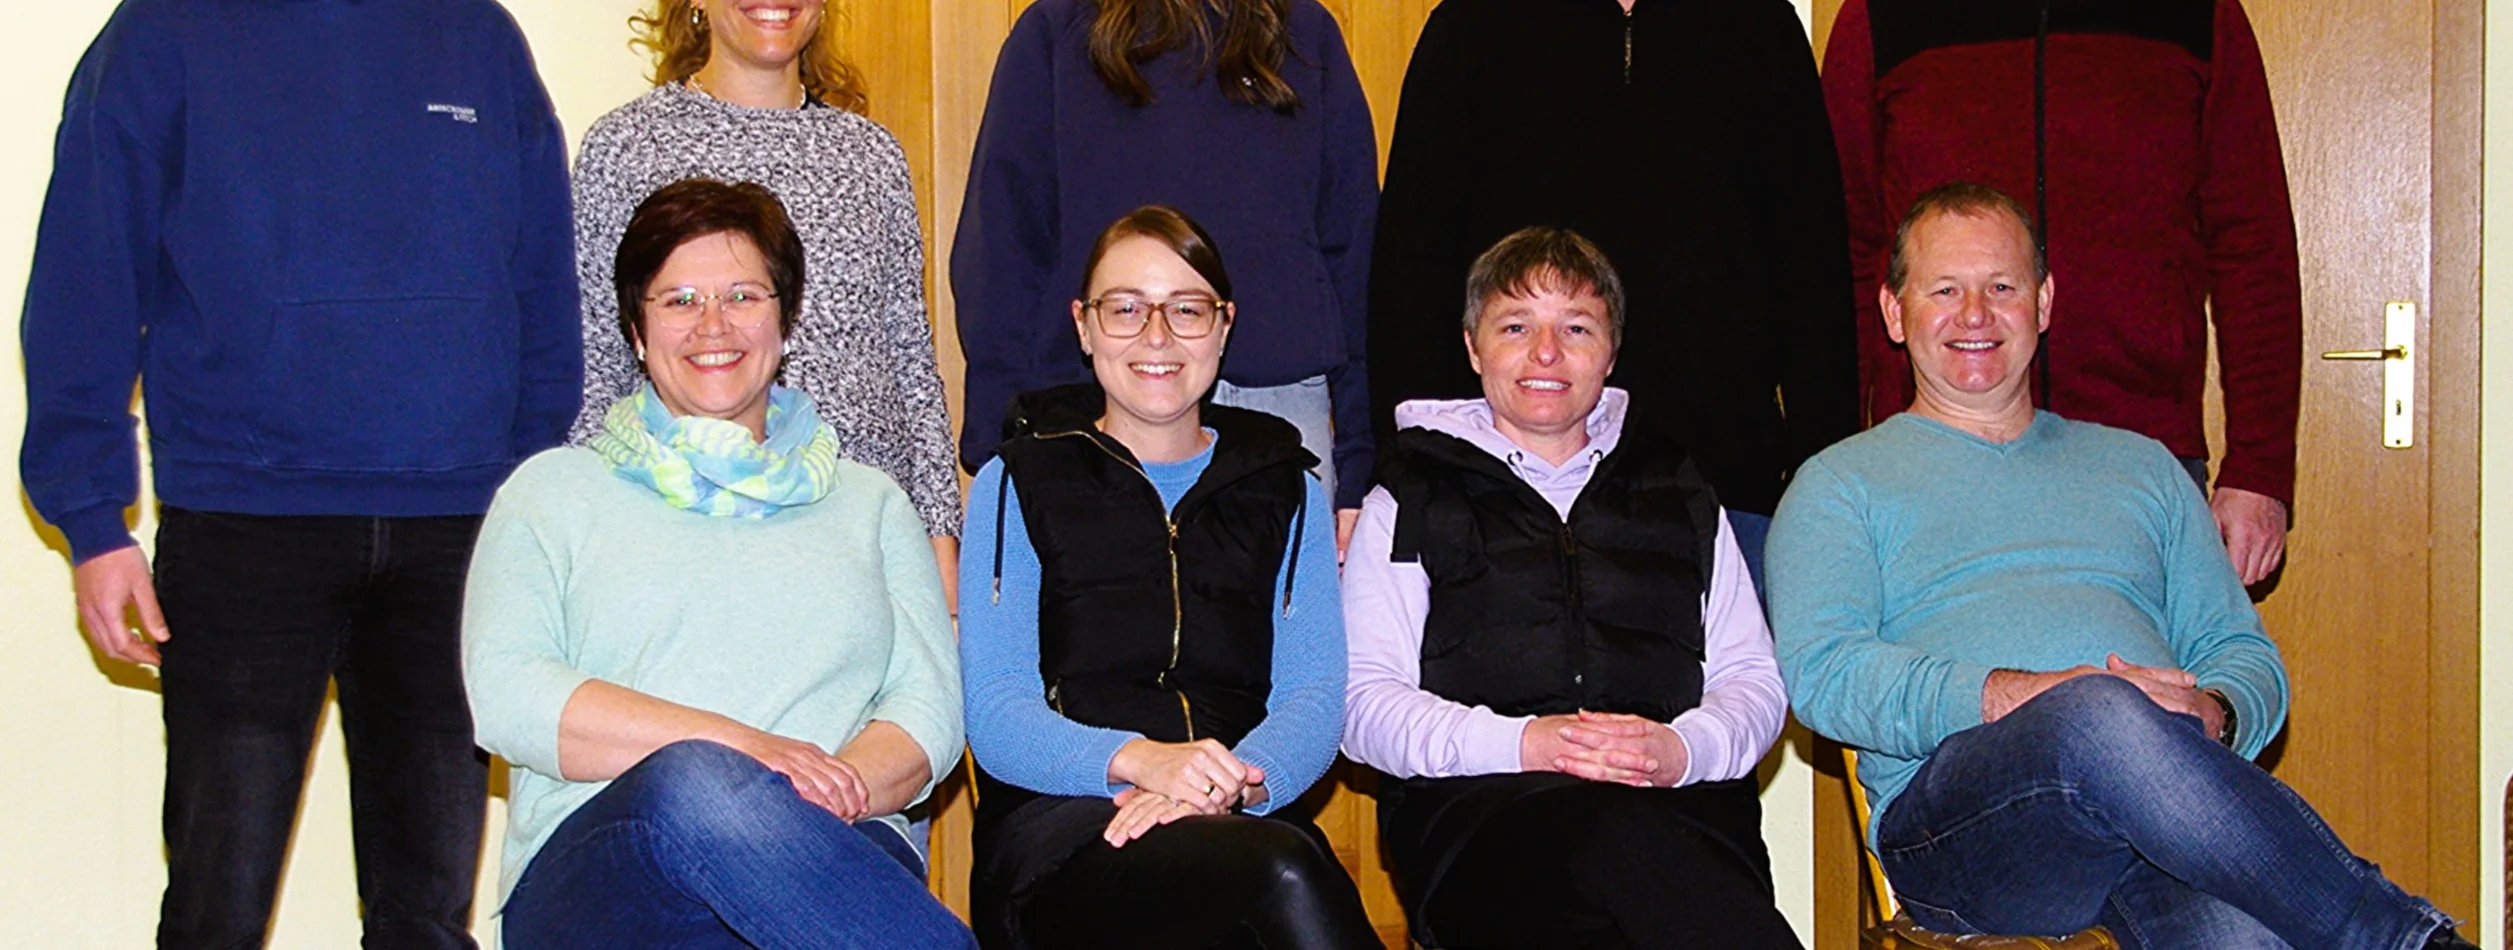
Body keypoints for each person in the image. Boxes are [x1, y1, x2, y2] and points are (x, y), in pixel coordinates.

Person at [1769, 183, 2473, 950]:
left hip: (2152, 827)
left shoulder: (2143, 469)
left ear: (2042, 303)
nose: (1974, 315)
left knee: (2247, 936)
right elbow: (1826, 676)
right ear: (1892, 311)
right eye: (1944, 290)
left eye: (2001, 288)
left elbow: (2240, 652)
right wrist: (2032, 695)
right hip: (1963, 837)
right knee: (2093, 713)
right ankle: (2404, 940)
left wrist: (2214, 713)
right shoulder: (1838, 486)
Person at [18, 1, 579, 945]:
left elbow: (541, 276)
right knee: (217, 908)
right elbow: (88, 269)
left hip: (458, 530)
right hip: (244, 524)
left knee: (428, 916)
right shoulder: (166, 30)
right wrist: (91, 518)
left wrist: (523, 482)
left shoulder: (478, 34)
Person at [464, 180, 973, 949]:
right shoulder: (552, 492)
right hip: (604, 874)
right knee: (694, 780)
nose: (713, 325)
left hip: (831, 849)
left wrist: (815, 798)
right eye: (679, 301)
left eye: (742, 295)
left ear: (784, 319)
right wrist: (745, 755)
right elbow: (508, 695)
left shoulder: (871, 504)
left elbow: (929, 710)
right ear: (636, 331)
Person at [1343, 227, 1800, 950]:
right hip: (1481, 825)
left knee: (1633, 850)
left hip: (1682, 811)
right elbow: (1363, 707)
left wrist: (1681, 751)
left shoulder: (1679, 489)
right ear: (1472, 347)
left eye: (1576, 328)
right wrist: (1530, 743)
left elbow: (1754, 680)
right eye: (1515, 327)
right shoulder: (1408, 494)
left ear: (1611, 352)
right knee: (1608, 829)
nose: (1546, 353)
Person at [959, 206, 1374, 949]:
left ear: (1223, 326)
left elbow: (1313, 697)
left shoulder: (1288, 487)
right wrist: (1145, 763)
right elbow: (996, 715)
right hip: (1064, 828)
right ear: (1084, 327)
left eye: (1186, 309)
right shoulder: (1017, 479)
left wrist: (1227, 786)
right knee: (1282, 877)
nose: (1157, 336)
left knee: (1278, 873)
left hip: (1240, 817)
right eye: (1125, 309)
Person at [1366, 0, 1859, 588]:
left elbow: (1814, 268)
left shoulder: (1759, 25)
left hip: (1722, 478)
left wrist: (1822, 479)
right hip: (1508, 489)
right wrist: (1413, 465)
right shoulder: (1471, 26)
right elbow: (1411, 270)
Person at [1822, 0, 2301, 586]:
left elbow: (2254, 251)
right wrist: (1835, 467)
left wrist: (2259, 472)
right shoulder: (1880, 17)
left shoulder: (2199, 15)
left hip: (2139, 459)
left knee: (2137, 650)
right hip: (1930, 461)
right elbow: (1841, 250)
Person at [954, 0, 1378, 554]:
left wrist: (1359, 453)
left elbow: (1354, 253)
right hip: (1099, 407)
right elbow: (1004, 248)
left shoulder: (1303, 32)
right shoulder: (1058, 30)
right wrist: (999, 448)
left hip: (1278, 404)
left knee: (1284, 611)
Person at [570, 0, 963, 598]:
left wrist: (938, 533)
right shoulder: (626, 147)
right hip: (687, 528)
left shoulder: (872, 156)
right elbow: (597, 358)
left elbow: (909, 357)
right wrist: (588, 528)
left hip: (860, 527)